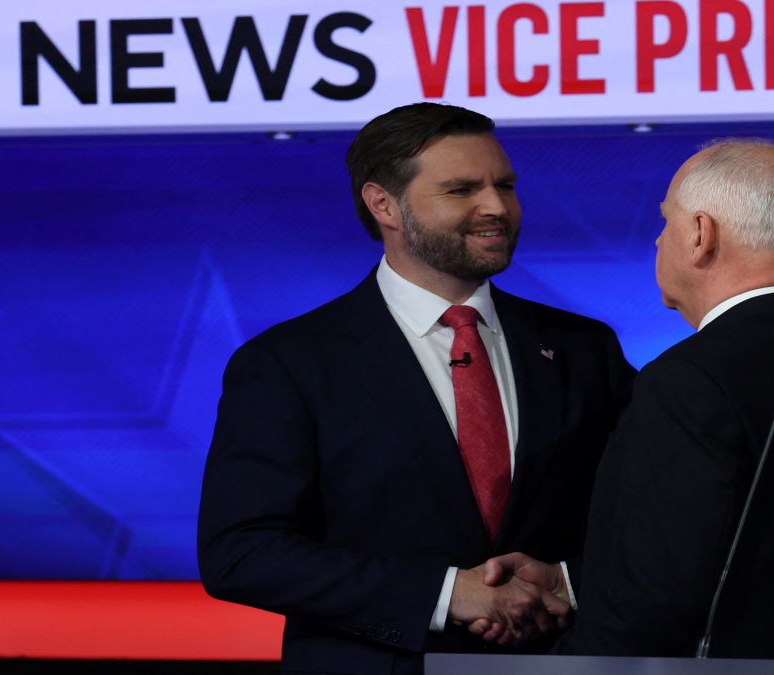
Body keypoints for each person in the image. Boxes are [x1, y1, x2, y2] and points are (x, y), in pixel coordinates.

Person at [196, 103, 634, 675]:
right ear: (384, 205)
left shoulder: (584, 348)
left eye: (505, 185)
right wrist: (448, 593)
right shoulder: (287, 363)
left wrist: (567, 585)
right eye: (461, 190)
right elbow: (242, 553)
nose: (497, 207)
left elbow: (643, 514)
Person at [537, 139, 774, 673]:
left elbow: (656, 601)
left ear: (699, 235)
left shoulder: (688, 380)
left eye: (666, 222)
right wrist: (571, 580)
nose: (659, 239)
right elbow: (750, 544)